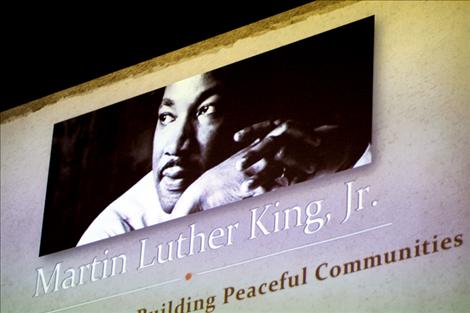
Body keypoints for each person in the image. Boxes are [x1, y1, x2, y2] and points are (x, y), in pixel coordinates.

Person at [77, 64, 371, 246]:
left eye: (207, 111)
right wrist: (199, 203)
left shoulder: (272, 167)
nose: (176, 144)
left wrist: (337, 150)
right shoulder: (113, 232)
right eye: (167, 116)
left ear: (250, 122)